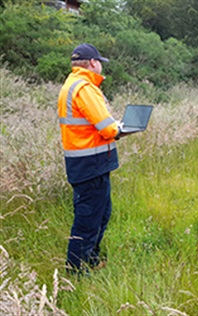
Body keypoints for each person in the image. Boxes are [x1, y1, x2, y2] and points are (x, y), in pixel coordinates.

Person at [57, 43, 121, 275]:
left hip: (88, 162)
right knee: (87, 220)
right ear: (93, 63)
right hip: (90, 165)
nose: (101, 66)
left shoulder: (71, 84)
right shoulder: (84, 87)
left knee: (101, 213)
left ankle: (91, 259)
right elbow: (107, 127)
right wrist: (119, 129)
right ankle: (75, 272)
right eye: (100, 62)